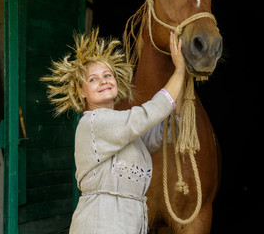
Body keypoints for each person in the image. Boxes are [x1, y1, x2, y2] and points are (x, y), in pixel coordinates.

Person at [41, 28, 186, 234]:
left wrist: (182, 78)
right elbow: (147, 115)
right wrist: (178, 71)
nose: (103, 81)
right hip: (100, 223)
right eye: (93, 79)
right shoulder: (93, 123)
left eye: (107, 75)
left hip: (127, 223)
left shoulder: (124, 132)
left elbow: (168, 134)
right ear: (81, 91)